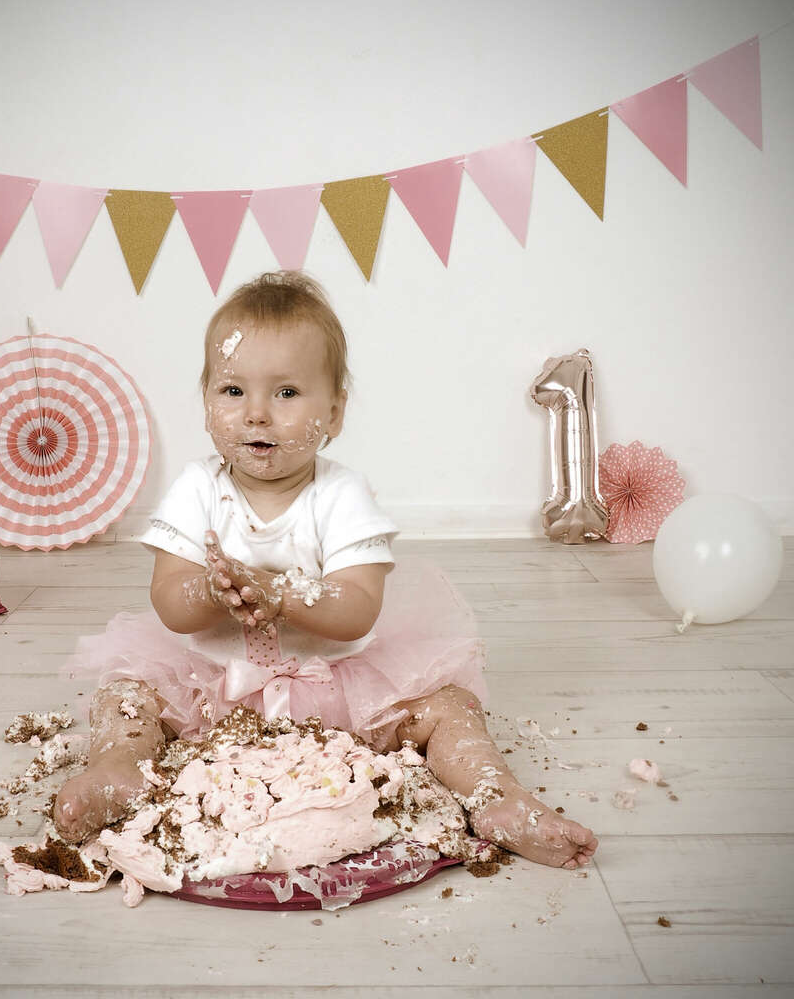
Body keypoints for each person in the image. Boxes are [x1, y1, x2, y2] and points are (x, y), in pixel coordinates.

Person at [55, 271, 597, 871]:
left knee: (448, 706)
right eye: (233, 391)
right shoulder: (194, 489)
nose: (257, 414)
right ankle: (117, 770)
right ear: (206, 399)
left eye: (286, 393)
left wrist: (282, 593)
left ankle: (496, 797)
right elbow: (169, 604)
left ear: (334, 412)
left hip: (335, 688)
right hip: (214, 685)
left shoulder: (342, 496)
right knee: (126, 696)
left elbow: (357, 608)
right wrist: (209, 589)